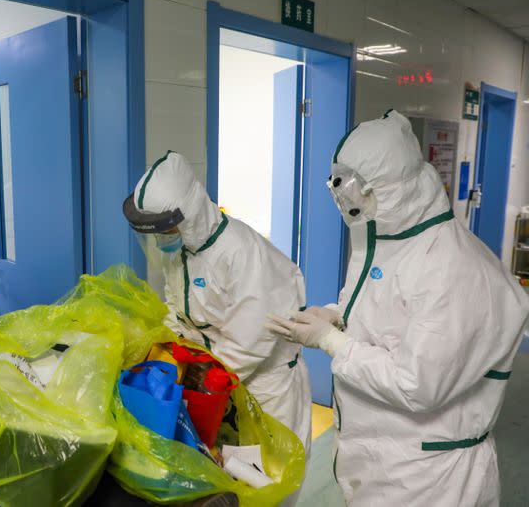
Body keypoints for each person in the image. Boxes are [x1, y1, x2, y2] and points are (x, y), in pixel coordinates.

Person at [266, 110, 529, 506]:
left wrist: (332, 341)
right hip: (384, 464)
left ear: (397, 186)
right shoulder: (387, 239)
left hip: (430, 480)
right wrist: (337, 316)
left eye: (359, 189)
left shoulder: (453, 268)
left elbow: (416, 384)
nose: (350, 201)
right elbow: (381, 309)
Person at [122, 151, 312, 457]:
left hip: (266, 384)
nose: (161, 238)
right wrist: (166, 351)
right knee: (230, 471)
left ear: (190, 213)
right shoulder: (180, 249)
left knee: (271, 475)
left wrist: (204, 378)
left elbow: (251, 340)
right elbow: (176, 308)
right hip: (221, 378)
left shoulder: (241, 252)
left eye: (165, 229)